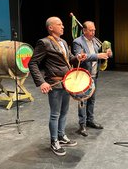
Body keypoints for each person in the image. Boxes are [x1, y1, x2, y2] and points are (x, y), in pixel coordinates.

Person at [28, 16, 87, 156]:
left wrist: (77, 58)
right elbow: (32, 63)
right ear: (51, 27)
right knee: (55, 114)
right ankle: (54, 141)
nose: (63, 26)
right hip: (54, 83)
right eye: (59, 24)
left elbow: (68, 60)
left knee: (64, 112)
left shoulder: (64, 42)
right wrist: (42, 82)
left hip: (66, 82)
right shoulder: (44, 42)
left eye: (62, 24)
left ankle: (61, 136)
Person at [72, 21, 112, 137]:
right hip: (83, 76)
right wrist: (98, 56)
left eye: (94, 30)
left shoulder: (95, 41)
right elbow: (81, 57)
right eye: (91, 30)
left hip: (94, 75)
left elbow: (106, 53)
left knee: (92, 100)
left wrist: (109, 53)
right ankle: (82, 125)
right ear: (84, 30)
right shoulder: (77, 42)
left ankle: (90, 120)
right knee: (82, 100)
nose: (93, 32)